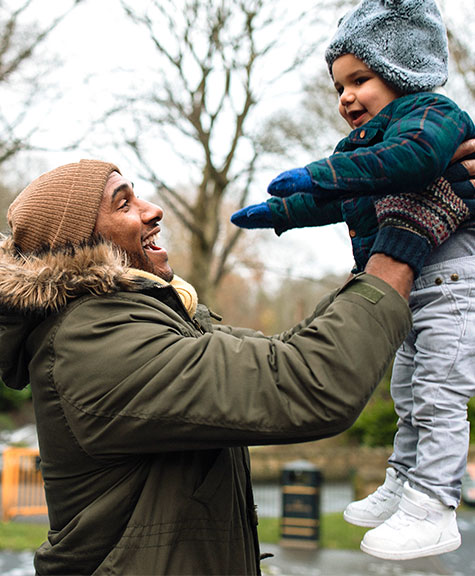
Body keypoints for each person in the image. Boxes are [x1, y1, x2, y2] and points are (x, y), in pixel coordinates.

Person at [0, 158, 470, 575]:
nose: (152, 210)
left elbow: (286, 351)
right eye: (123, 205)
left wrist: (375, 251)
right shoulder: (94, 344)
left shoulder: (147, 323)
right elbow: (308, 382)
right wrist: (406, 237)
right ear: (77, 246)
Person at [231, 0, 475, 562]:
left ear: (401, 70)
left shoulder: (431, 118)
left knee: (440, 394)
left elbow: (409, 162)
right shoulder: (367, 147)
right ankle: (403, 482)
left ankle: (434, 505)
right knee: (410, 393)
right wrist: (285, 211)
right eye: (339, 85)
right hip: (415, 288)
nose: (344, 97)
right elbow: (345, 193)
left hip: (453, 280)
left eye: (359, 80)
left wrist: (316, 173)